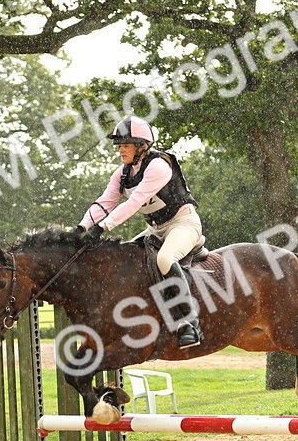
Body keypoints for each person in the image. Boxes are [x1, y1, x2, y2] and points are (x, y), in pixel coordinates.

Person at [77, 115, 205, 348]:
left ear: (141, 146)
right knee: (127, 258)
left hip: (183, 224)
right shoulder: (123, 173)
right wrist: (82, 227)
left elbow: (134, 202)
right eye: (119, 146)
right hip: (155, 230)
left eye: (125, 145)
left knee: (165, 259)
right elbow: (106, 201)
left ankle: (189, 323)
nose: (120, 151)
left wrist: (103, 227)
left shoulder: (158, 165)